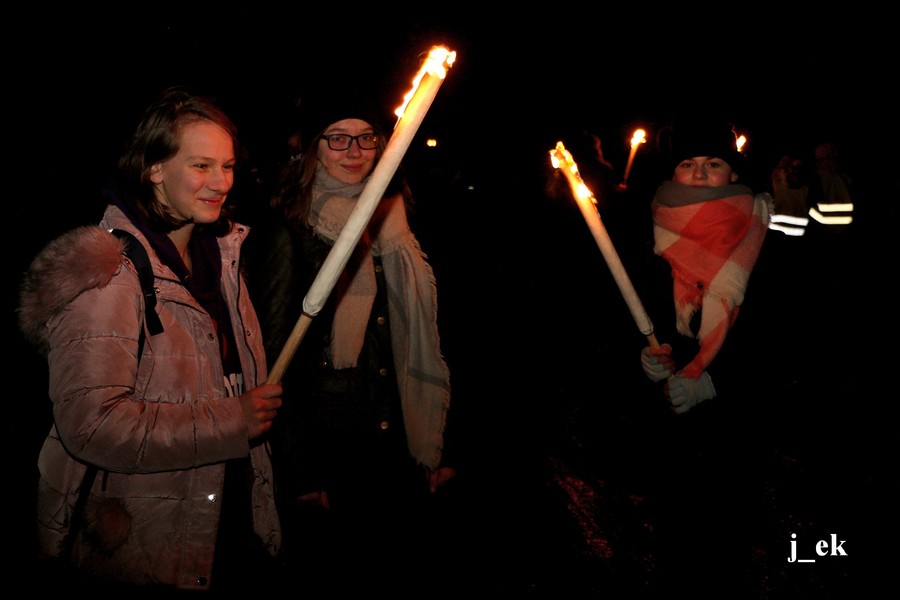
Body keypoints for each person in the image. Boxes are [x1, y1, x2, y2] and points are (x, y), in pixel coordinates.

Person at [17, 87, 283, 593]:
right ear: (154, 168)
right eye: (201, 166)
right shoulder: (108, 272)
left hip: (215, 530)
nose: (221, 183)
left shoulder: (222, 260)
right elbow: (91, 426)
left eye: (227, 167)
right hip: (137, 552)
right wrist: (234, 421)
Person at [246, 91, 456, 593]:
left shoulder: (399, 221)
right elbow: (275, 358)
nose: (354, 149)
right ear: (314, 148)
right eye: (337, 137)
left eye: (366, 137)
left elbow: (430, 337)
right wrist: (300, 471)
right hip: (334, 444)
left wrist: (437, 444)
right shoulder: (289, 231)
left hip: (398, 437)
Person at [632, 118, 771, 596]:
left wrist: (717, 381)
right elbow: (634, 314)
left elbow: (783, 328)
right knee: (675, 537)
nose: (698, 172)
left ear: (733, 174)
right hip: (671, 420)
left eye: (713, 164)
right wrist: (648, 363)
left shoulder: (760, 228)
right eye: (687, 163)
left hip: (736, 419)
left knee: (726, 538)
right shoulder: (649, 231)